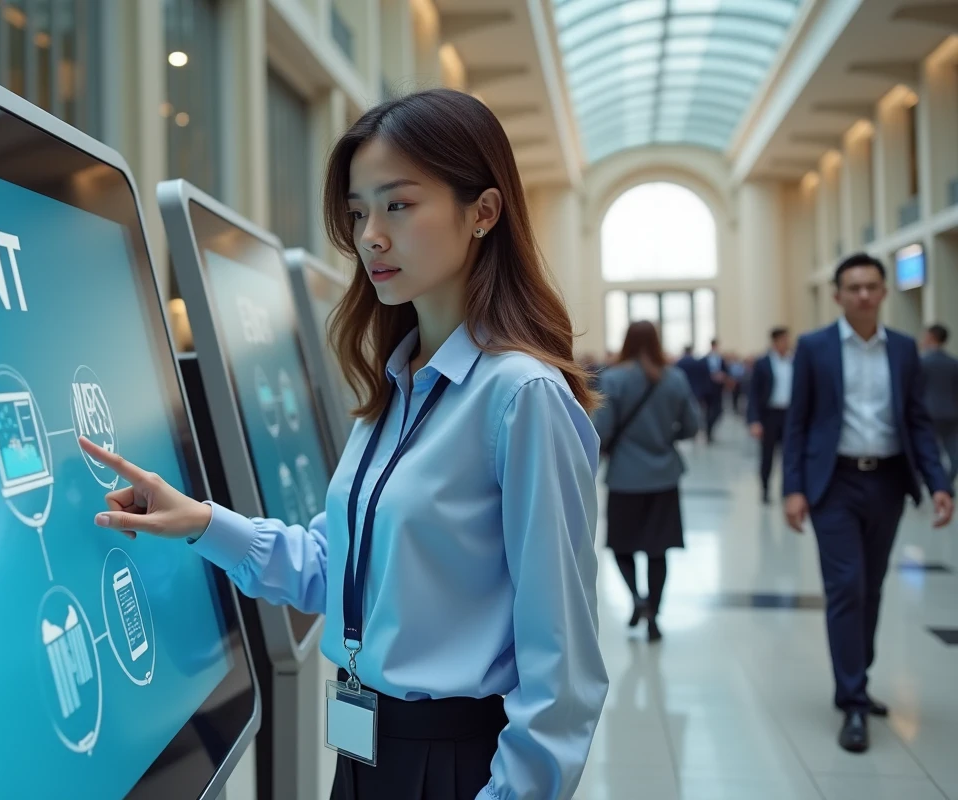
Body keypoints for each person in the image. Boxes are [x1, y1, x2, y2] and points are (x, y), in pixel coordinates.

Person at [79, 89, 608, 800]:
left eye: (399, 205)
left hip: (455, 766)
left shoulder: (520, 397)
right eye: (358, 213)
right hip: (363, 749)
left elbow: (562, 670)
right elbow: (333, 570)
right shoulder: (396, 387)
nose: (371, 237)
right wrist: (200, 521)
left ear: (483, 211)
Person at [783, 252, 954, 754]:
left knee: (872, 587)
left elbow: (917, 421)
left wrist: (939, 482)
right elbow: (797, 422)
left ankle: (856, 677)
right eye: (853, 287)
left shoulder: (902, 350)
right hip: (833, 483)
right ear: (837, 295)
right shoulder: (814, 348)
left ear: (883, 292)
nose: (862, 295)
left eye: (871, 286)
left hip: (887, 482)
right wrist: (793, 488)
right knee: (847, 587)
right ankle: (853, 701)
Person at [593, 321, 700, 643]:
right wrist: (665, 437)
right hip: (664, 477)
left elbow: (602, 430)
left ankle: (637, 599)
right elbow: (692, 426)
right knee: (658, 549)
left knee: (620, 545)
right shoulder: (675, 378)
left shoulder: (614, 379)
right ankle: (654, 614)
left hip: (625, 477)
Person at [748, 327, 794, 504]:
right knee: (768, 455)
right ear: (775, 341)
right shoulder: (763, 363)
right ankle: (765, 488)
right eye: (784, 340)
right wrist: (754, 420)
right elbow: (753, 393)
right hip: (769, 415)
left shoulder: (794, 361)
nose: (787, 343)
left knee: (789, 455)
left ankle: (787, 489)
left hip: (789, 415)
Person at [920, 323, 958, 487]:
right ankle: (946, 483)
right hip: (951, 414)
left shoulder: (922, 362)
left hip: (928, 413)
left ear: (931, 337)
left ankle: (936, 484)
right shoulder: (953, 363)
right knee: (953, 453)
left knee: (929, 452)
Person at [700, 339, 729, 442]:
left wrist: (722, 376)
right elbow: (701, 374)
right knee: (708, 411)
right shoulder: (704, 360)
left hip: (718, 390)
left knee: (718, 411)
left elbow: (726, 371)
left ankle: (709, 428)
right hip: (707, 390)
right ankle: (708, 431)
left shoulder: (721, 359)